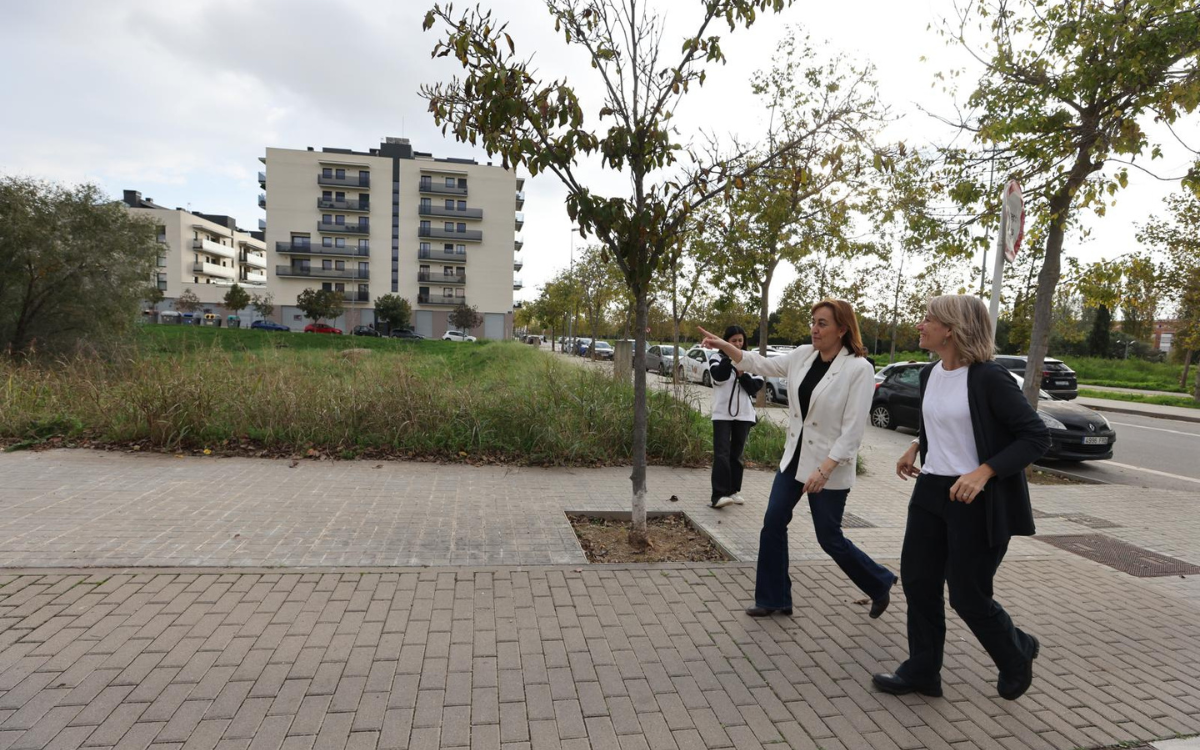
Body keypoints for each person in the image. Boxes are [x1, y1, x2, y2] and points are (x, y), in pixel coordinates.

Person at [872, 295, 1049, 701]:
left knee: (968, 594)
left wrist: (984, 471)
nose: (920, 324)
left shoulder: (989, 377)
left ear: (951, 329)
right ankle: (922, 671)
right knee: (918, 583)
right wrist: (917, 444)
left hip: (974, 498)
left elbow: (1036, 436)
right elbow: (946, 420)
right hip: (931, 489)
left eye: (927, 318)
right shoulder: (931, 372)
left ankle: (1016, 652)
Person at [699, 300, 896, 619]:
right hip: (793, 461)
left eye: (822, 324)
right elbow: (759, 364)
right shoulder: (803, 355)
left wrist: (825, 469)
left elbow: (853, 430)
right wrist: (725, 346)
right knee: (773, 523)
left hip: (828, 466)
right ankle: (773, 598)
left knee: (829, 538)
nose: (814, 329)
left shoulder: (858, 368)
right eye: (813, 322)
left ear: (842, 330)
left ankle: (879, 582)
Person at [708, 325, 764, 509]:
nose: (738, 344)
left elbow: (755, 387)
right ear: (726, 342)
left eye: (740, 340)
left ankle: (733, 491)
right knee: (722, 453)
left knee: (737, 454)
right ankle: (718, 495)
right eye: (733, 341)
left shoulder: (751, 360)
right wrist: (730, 358)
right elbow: (718, 378)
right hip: (722, 414)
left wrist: (741, 375)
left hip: (744, 415)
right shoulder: (717, 358)